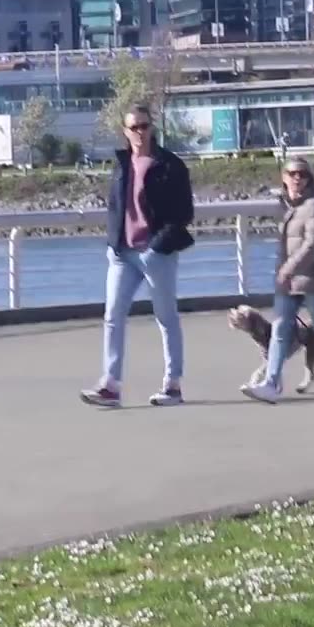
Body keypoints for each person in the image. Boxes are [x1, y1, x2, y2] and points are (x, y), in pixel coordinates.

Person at [80, 103, 194, 408]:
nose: (140, 132)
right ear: (125, 131)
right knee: (113, 316)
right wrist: (113, 242)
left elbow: (184, 213)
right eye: (134, 127)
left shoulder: (169, 165)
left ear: (152, 127)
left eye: (145, 126)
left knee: (166, 317)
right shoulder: (122, 164)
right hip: (123, 253)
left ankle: (172, 385)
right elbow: (115, 205)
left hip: (156, 253)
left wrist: (157, 246)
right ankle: (110, 385)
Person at [241, 156, 314, 403]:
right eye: (292, 174)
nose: (297, 178)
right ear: (284, 177)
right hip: (288, 280)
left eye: (302, 174)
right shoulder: (283, 205)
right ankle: (271, 383)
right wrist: (284, 272)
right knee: (280, 328)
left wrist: (289, 269)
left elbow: (313, 243)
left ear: (309, 179)